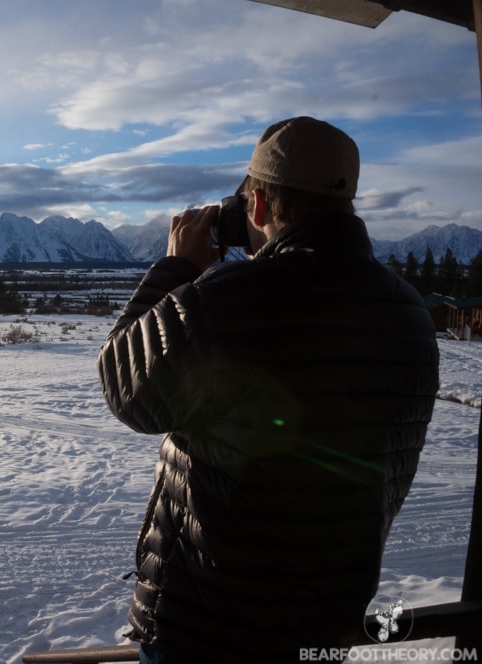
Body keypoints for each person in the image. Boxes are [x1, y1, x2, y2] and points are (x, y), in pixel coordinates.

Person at [97, 117, 439, 663]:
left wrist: (177, 268)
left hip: (208, 630)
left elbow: (124, 383)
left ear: (255, 206)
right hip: (325, 621)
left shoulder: (231, 298)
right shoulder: (409, 313)